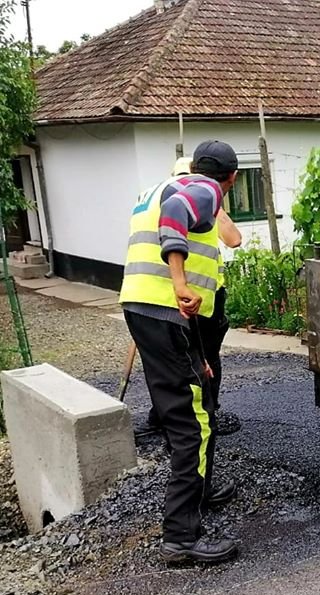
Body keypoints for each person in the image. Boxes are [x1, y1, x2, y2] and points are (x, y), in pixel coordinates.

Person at [119, 140, 240, 564]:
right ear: (232, 178)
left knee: (196, 396)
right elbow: (174, 220)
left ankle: (201, 489)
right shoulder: (206, 189)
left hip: (147, 309)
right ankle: (181, 536)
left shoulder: (155, 188)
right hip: (167, 309)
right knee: (193, 422)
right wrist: (180, 282)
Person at [139, 157, 244, 440]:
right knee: (182, 365)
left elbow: (233, 238)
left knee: (199, 361)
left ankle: (201, 415)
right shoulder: (174, 199)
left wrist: (215, 208)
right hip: (177, 296)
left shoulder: (201, 200)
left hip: (200, 297)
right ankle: (180, 420)